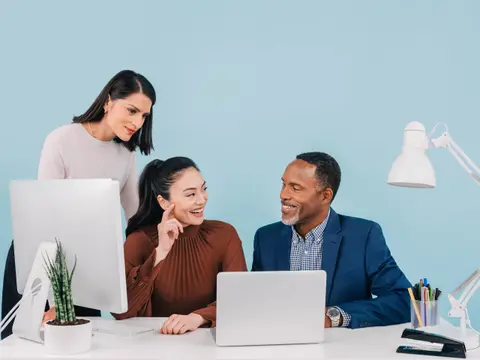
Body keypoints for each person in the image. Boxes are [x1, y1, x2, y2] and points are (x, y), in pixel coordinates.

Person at [1, 70, 157, 338]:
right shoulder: (62, 139)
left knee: (86, 342)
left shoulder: (126, 154)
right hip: (40, 257)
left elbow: (135, 218)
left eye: (144, 116)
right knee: (22, 342)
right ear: (108, 102)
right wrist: (50, 301)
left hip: (87, 264)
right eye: (131, 111)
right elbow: (43, 217)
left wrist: (163, 244)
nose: (137, 122)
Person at [251, 151, 411, 329]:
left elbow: (404, 300)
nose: (283, 194)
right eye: (284, 184)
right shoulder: (265, 238)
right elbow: (256, 300)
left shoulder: (363, 235)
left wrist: (335, 316)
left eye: (295, 188)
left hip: (339, 349)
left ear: (325, 196)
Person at [111, 157, 248, 335]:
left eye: (203, 189)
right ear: (164, 202)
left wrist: (197, 318)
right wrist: (160, 253)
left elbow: (239, 299)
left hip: (210, 344)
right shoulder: (139, 241)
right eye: (191, 194)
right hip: (153, 344)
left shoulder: (224, 235)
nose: (202, 200)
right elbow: (121, 312)